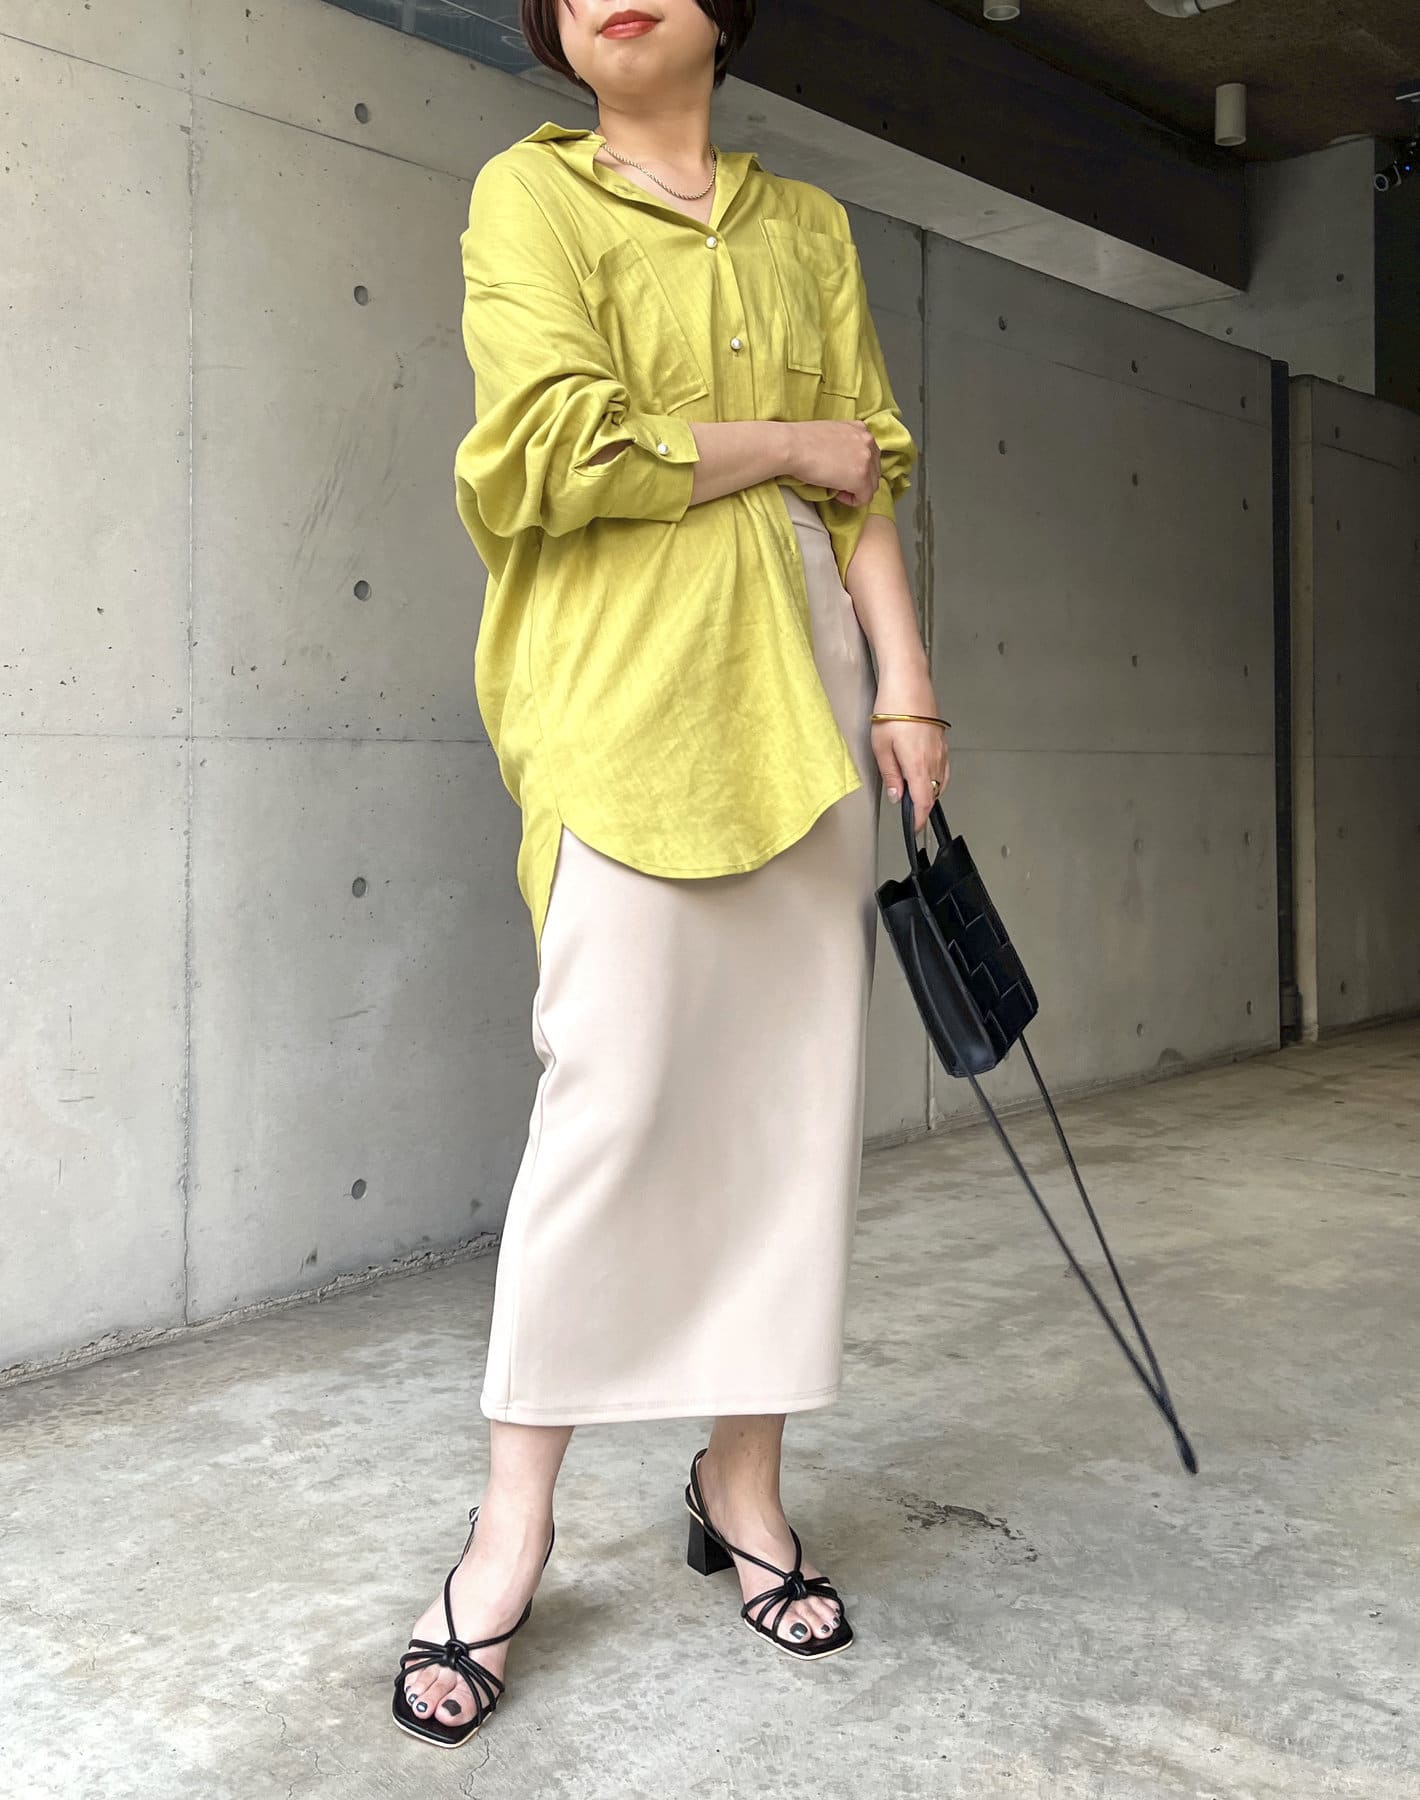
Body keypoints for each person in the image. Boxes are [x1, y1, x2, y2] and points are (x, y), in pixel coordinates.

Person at [392, 0, 949, 1749]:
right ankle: (513, 1528)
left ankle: (743, 1485)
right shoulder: (530, 196)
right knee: (611, 1103)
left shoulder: (807, 226)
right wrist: (783, 444)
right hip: (619, 701)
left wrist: (910, 683)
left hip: (808, 699)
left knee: (787, 1113)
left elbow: (869, 485)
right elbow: (555, 453)